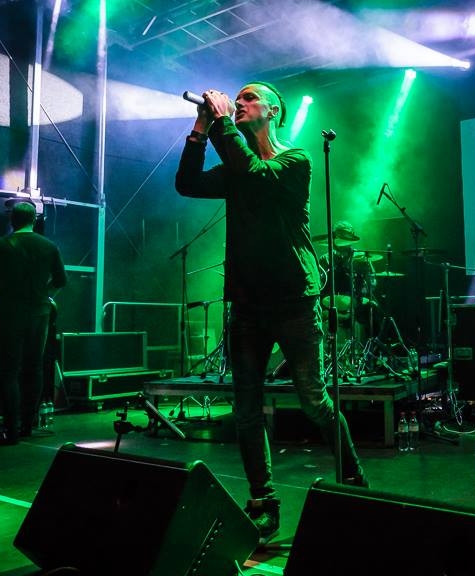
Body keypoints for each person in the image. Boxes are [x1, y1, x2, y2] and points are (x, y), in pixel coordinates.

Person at [175, 81, 368, 544]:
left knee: (314, 400)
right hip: (247, 302)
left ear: (274, 111)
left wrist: (222, 123)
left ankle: (354, 480)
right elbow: (187, 184)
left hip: (294, 300)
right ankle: (263, 503)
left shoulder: (294, 160)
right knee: (246, 408)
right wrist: (200, 129)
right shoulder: (235, 164)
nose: (239, 103)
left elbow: (257, 177)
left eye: (249, 98)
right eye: (236, 99)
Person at [0, 200, 67, 446]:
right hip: (40, 314)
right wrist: (44, 295)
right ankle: (28, 425)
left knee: (9, 371)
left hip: (11, 314)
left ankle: (11, 431)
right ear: (35, 220)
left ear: (12, 220)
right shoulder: (49, 246)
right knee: (34, 369)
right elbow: (61, 280)